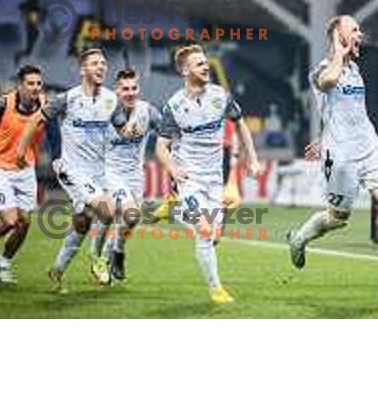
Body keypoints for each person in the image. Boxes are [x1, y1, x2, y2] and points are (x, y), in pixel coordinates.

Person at [287, 15, 378, 296]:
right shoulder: (321, 70)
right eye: (354, 30)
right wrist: (338, 56)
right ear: (338, 36)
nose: (360, 35)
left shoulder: (355, 70)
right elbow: (327, 83)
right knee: (337, 218)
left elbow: (345, 113)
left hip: (369, 148)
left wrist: (324, 135)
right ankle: (299, 238)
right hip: (340, 158)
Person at [17, 48, 132, 292]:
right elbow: (36, 120)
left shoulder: (111, 99)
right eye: (94, 63)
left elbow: (121, 128)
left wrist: (130, 132)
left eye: (103, 63)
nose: (101, 67)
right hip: (72, 169)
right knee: (108, 208)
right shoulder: (66, 99)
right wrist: (21, 150)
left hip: (99, 170)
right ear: (82, 69)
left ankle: (57, 270)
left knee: (82, 222)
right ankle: (98, 260)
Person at [155, 45, 260, 304]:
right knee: (203, 230)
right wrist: (173, 169)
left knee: (213, 236)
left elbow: (241, 124)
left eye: (205, 62)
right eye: (199, 63)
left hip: (214, 179)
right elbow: (161, 146)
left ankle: (175, 209)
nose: (205, 66)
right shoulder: (174, 105)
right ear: (184, 70)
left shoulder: (220, 95)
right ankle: (216, 289)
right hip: (189, 178)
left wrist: (252, 158)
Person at [0, 65, 56, 283]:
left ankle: (3, 266)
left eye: (38, 83)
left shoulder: (45, 107)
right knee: (10, 220)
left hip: (25, 169)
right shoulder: (1, 105)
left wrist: (58, 158)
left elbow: (55, 135)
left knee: (24, 222)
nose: (35, 88)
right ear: (19, 85)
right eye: (30, 83)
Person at [95, 68, 161, 281]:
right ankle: (102, 257)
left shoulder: (147, 111)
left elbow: (167, 131)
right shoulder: (105, 112)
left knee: (131, 220)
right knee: (130, 213)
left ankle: (116, 252)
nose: (130, 92)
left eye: (134, 88)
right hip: (111, 172)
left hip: (135, 175)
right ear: (116, 90)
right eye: (125, 89)